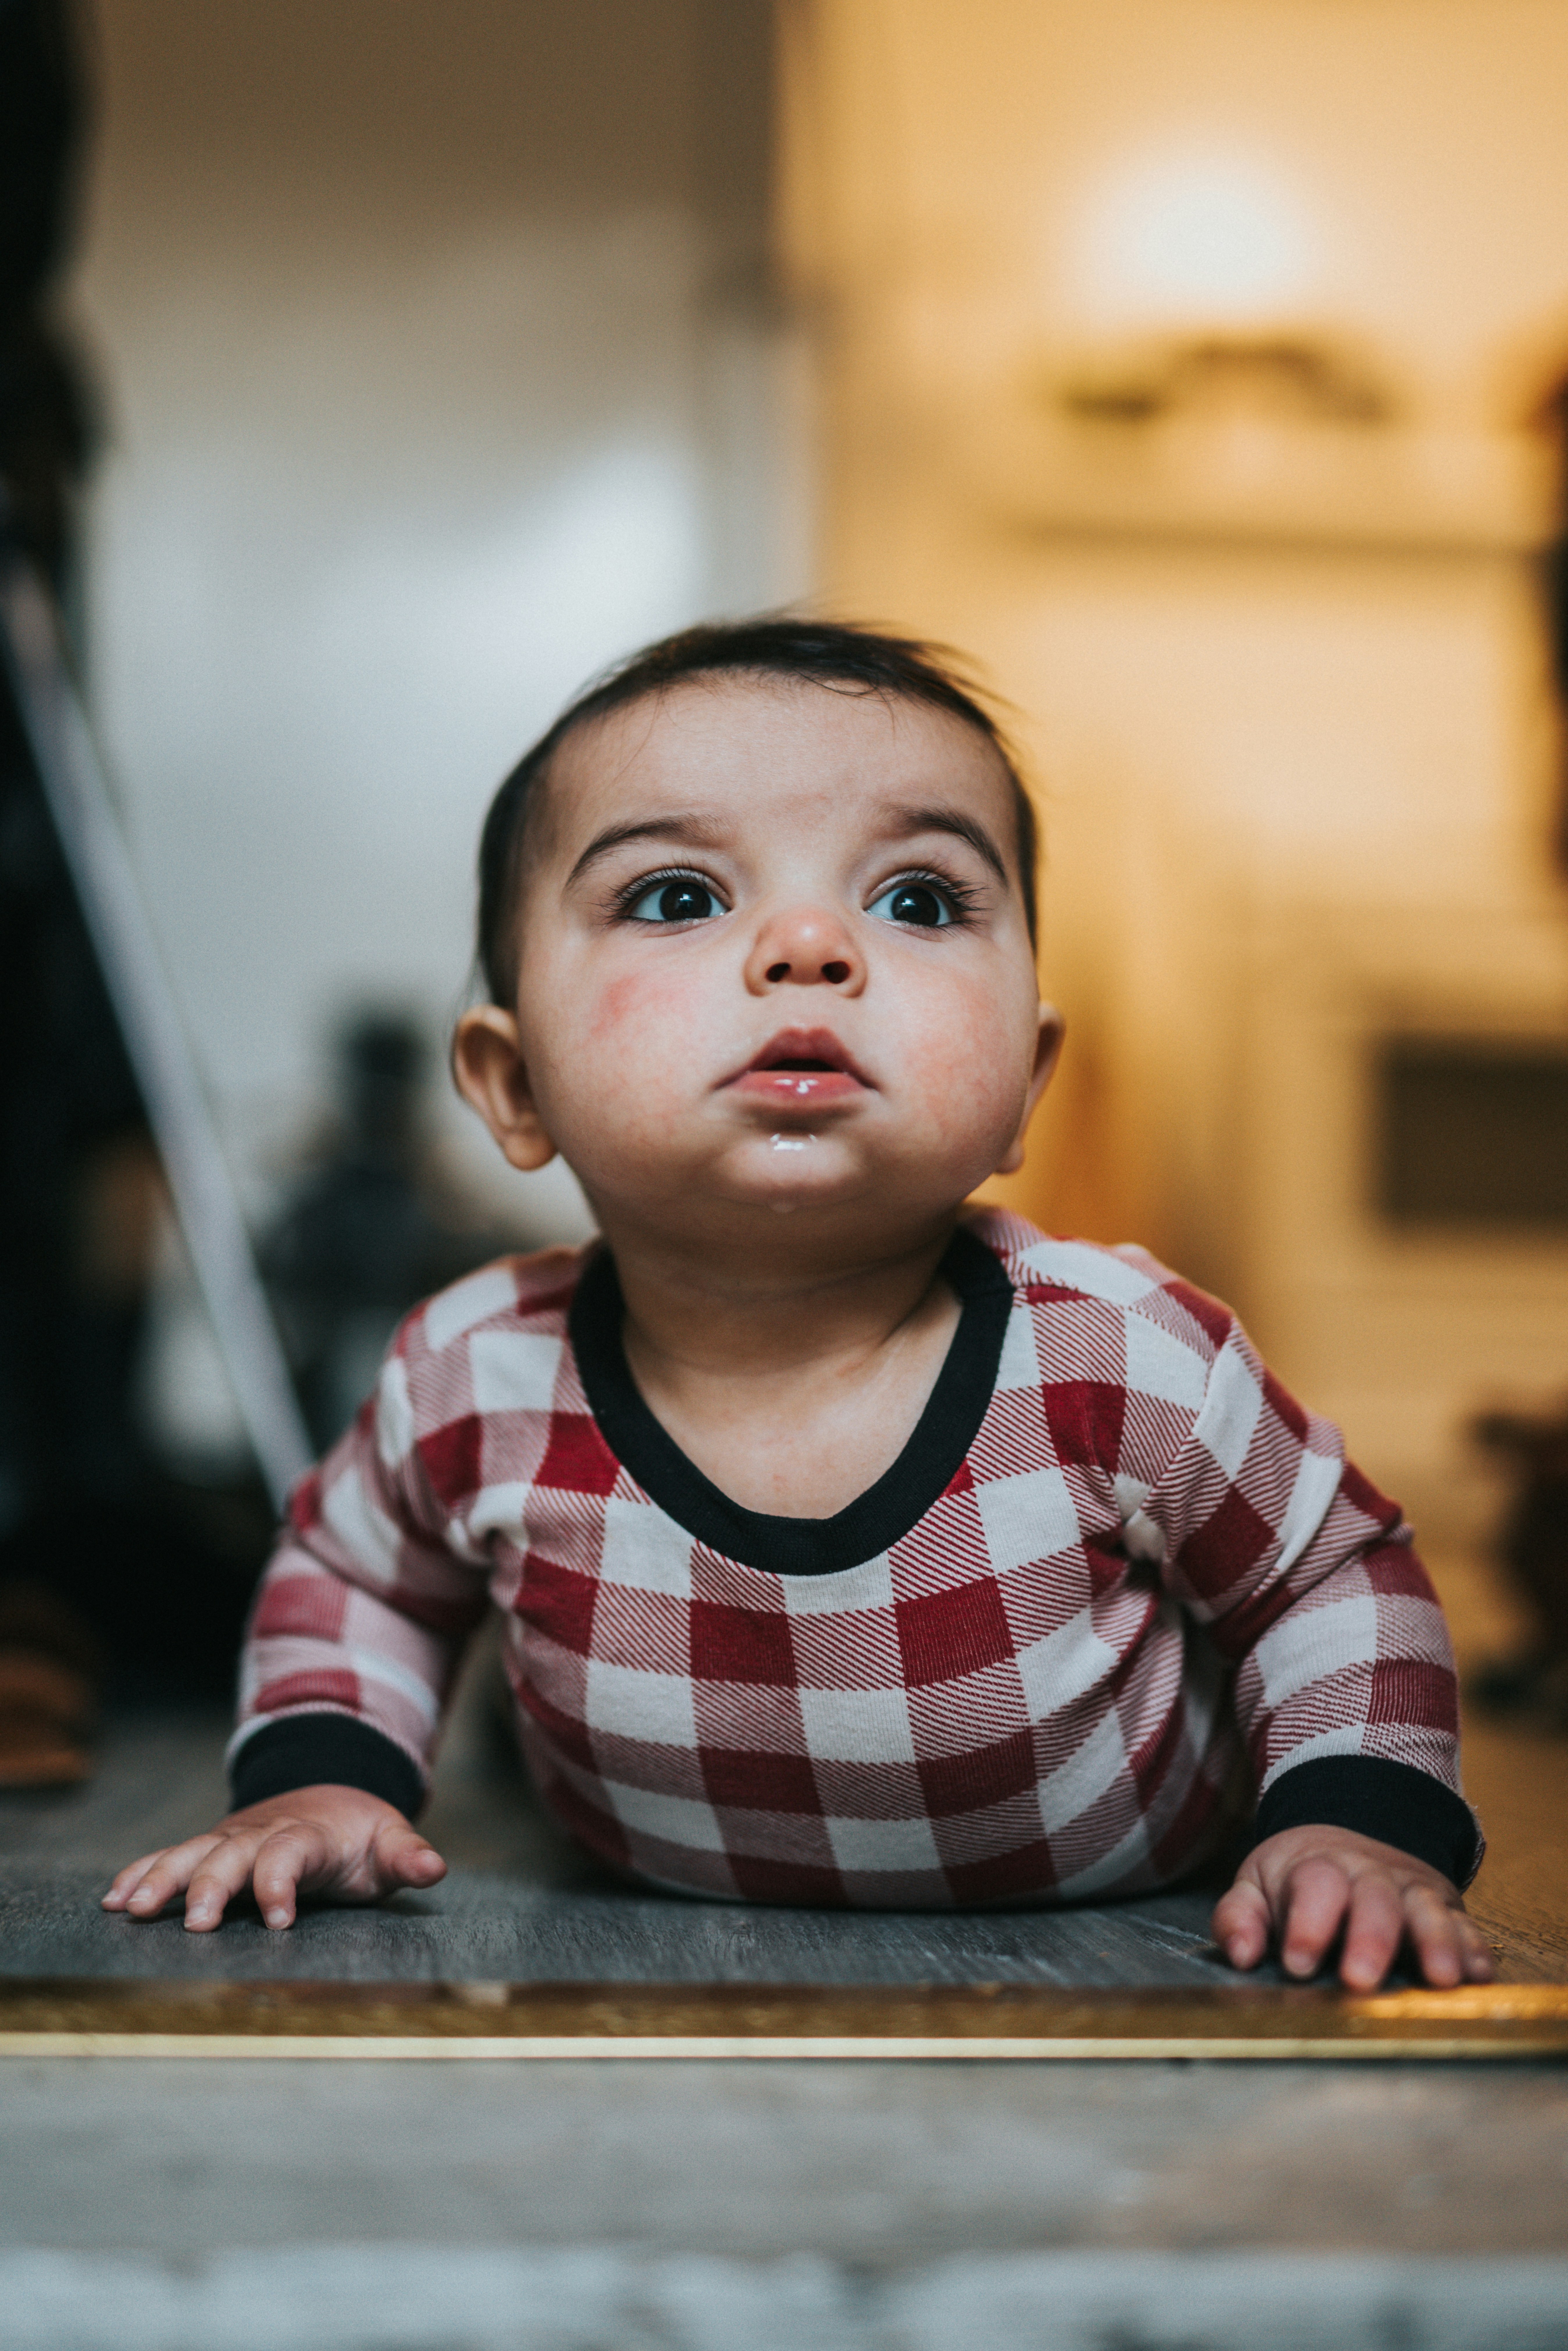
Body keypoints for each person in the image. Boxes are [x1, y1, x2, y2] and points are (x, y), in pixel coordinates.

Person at [104, 619, 1491, 1990]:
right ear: (514, 1089)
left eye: (918, 900)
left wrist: (1351, 1819)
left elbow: (1329, 1576)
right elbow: (359, 1577)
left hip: (1131, 1907)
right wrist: (323, 1783)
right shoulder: (477, 1372)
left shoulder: (1114, 1352)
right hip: (644, 1940)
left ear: (1024, 1081)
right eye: (676, 897)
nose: (811, 945)